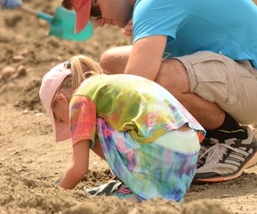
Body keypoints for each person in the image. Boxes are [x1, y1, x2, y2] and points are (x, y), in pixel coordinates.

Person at [60, 0, 257, 184]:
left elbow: (136, 84)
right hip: (241, 67)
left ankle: (232, 138)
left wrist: (100, 128)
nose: (99, 22)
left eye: (95, 11)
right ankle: (200, 137)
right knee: (112, 60)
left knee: (161, 79)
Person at [39, 55, 204, 202]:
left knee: (89, 126)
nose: (67, 124)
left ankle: (136, 186)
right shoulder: (111, 82)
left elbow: (79, 169)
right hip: (187, 156)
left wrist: (56, 195)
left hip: (161, 151)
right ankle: (144, 184)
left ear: (60, 100)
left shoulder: (80, 98)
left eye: (60, 119)